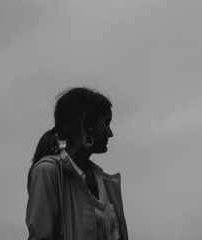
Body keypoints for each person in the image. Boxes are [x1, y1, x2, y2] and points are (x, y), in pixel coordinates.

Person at [26, 87, 129, 240]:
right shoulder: (48, 171)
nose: (110, 133)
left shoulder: (106, 182)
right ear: (87, 124)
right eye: (106, 123)